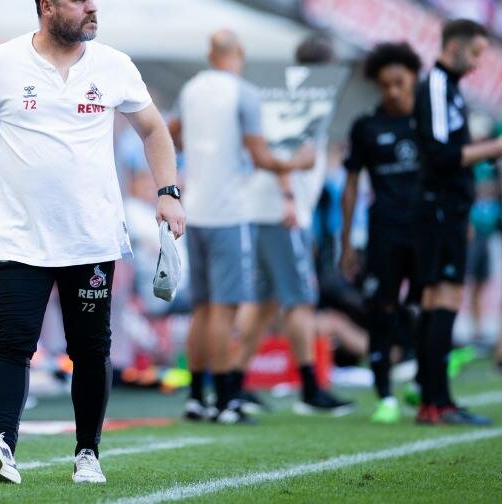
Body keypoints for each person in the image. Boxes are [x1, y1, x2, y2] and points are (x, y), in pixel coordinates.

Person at [0, 0, 185, 485]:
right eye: (80, 0)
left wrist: (168, 194)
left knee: (90, 350)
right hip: (20, 238)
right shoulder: (2, 63)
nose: (92, 7)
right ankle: (3, 445)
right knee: (13, 344)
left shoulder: (114, 65)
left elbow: (153, 130)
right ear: (47, 8)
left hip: (91, 236)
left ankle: (87, 453)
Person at [172, 29, 314, 424]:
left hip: (195, 209)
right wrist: (297, 163)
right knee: (224, 308)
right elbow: (262, 156)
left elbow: (171, 136)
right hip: (229, 212)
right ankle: (226, 401)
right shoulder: (244, 93)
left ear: (209, 53)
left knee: (201, 308)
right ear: (240, 53)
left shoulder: (192, 89)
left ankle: (197, 397)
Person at [232, 35, 355, 416]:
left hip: (266, 209)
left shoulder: (285, 95)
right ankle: (310, 388)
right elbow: (283, 151)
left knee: (266, 302)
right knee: (299, 299)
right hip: (283, 212)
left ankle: (232, 383)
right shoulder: (305, 99)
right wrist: (289, 197)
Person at [412, 18, 502, 425]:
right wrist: (494, 147)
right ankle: (437, 402)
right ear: (454, 47)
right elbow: (440, 155)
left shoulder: (449, 89)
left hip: (449, 209)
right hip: (438, 208)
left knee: (439, 300)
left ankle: (435, 400)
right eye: (477, 53)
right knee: (442, 299)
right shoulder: (435, 85)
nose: (478, 63)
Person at [340, 42, 423, 423]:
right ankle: (385, 395)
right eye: (385, 84)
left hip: (427, 230)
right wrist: (346, 243)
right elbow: (352, 185)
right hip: (384, 232)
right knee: (382, 310)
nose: (392, 91)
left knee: (428, 307)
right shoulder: (366, 127)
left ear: (413, 80)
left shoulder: (428, 123)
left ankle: (425, 380)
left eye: (399, 83)